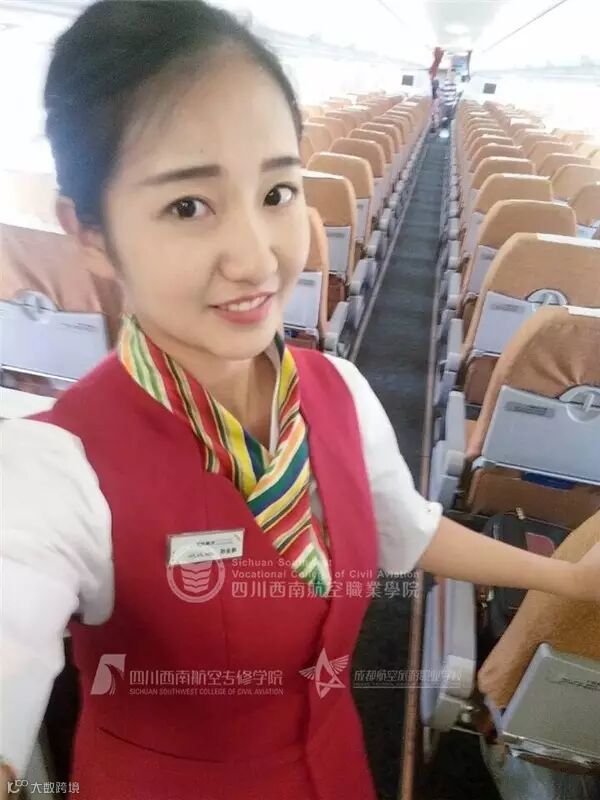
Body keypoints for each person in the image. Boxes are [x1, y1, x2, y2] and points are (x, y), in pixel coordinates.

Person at [1, 2, 600, 798]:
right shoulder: (52, 467)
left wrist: (568, 582)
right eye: (188, 206)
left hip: (337, 764)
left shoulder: (337, 389)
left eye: (278, 191)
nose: (256, 259)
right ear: (90, 233)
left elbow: (404, 528)